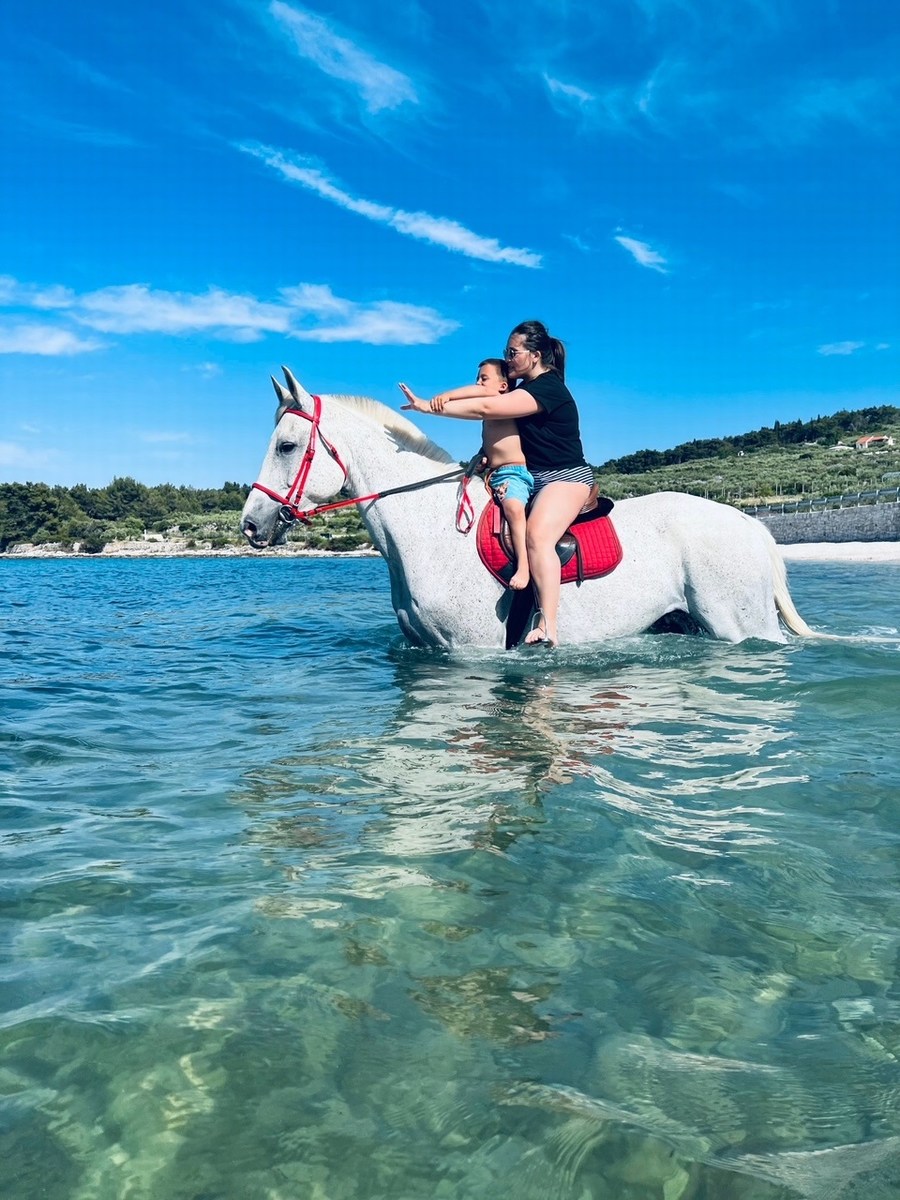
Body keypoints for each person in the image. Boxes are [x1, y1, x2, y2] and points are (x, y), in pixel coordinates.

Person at [400, 320, 593, 647]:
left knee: (537, 536)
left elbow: (488, 406)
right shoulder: (523, 390)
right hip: (532, 478)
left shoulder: (548, 388)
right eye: (506, 352)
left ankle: (548, 625)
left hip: (565, 477)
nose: (507, 359)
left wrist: (433, 406)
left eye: (513, 352)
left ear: (534, 355)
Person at [399, 358, 534, 589]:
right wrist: (482, 457)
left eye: (484, 378)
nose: (478, 384)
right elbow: (494, 444)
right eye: (477, 379)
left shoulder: (500, 401)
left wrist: (444, 398)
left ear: (502, 386)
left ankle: (524, 566)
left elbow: (474, 393)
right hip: (493, 475)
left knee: (513, 508)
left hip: (514, 474)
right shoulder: (489, 414)